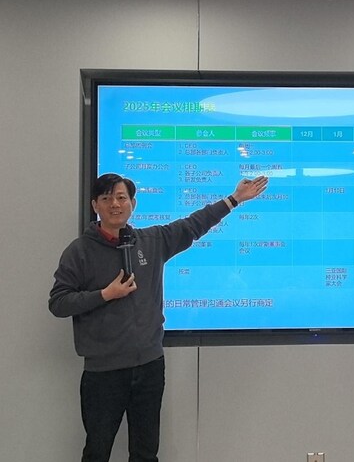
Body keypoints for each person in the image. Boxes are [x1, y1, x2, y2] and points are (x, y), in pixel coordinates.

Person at [49, 173, 268, 462]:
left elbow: (193, 225)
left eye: (121, 198)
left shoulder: (152, 241)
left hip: (149, 367)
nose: (115, 204)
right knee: (97, 451)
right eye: (106, 198)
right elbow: (58, 303)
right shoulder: (80, 251)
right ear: (95, 205)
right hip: (103, 372)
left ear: (133, 203)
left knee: (146, 451)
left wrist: (234, 199)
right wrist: (104, 294)